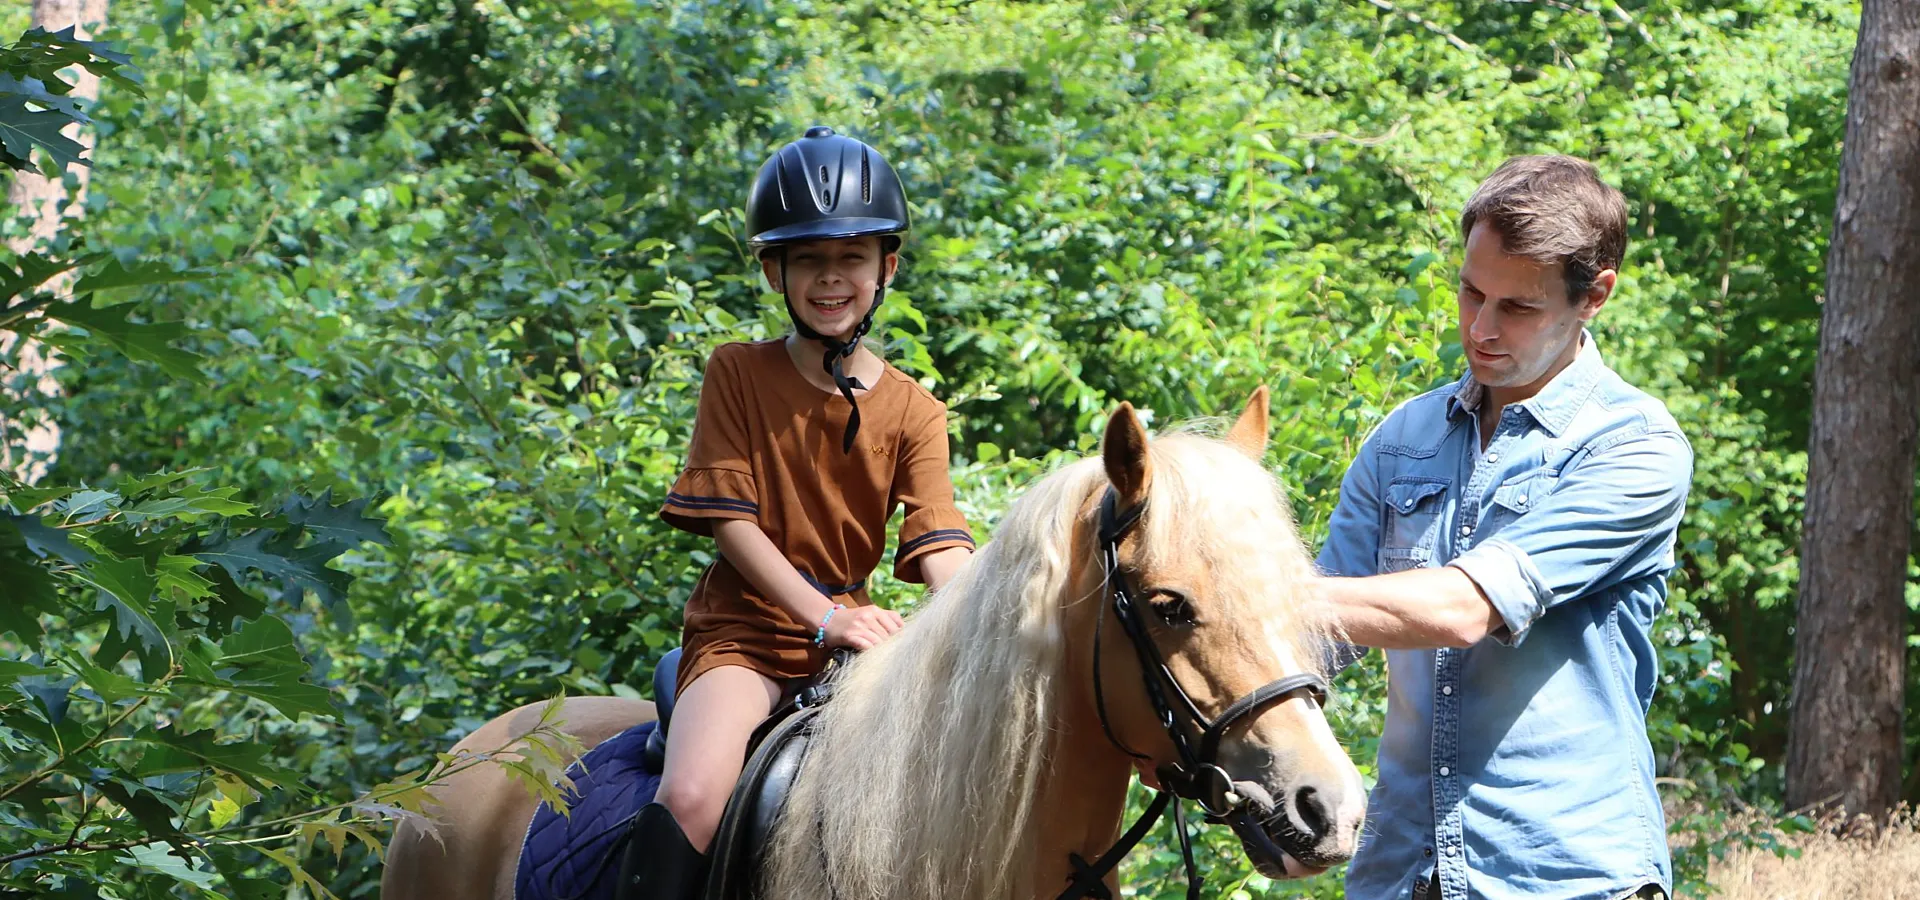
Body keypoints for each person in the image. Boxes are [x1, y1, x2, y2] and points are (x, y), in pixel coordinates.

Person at [1307, 155, 1694, 900]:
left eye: (1516, 308)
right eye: (1470, 291)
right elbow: (1323, 640)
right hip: (1400, 873)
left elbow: (1463, 609)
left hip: (1565, 874)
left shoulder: (1633, 446)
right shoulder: (1401, 440)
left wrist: (1239, 596)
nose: (1480, 328)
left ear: (1595, 296)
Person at [620, 126, 976, 900]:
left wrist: (997, 614)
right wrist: (824, 617)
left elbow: (941, 544)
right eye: (807, 259)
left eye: (850, 258)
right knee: (692, 797)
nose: (829, 278)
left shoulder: (917, 412)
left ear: (886, 267)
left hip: (862, 649)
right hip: (745, 639)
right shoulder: (737, 373)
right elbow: (731, 523)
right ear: (774, 269)